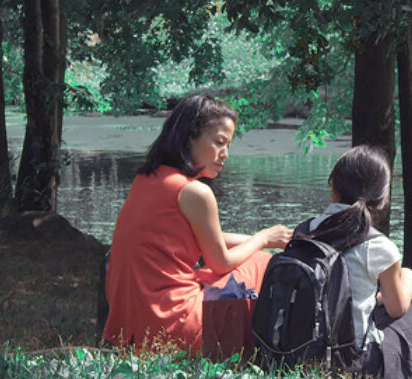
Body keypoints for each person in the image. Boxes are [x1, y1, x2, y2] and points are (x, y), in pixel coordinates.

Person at [103, 94, 293, 353]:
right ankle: (277, 346)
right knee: (261, 264)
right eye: (218, 143)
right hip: (173, 327)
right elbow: (221, 261)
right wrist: (262, 239)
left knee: (249, 259)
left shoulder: (148, 178)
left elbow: (205, 236)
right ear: (189, 137)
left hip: (132, 329)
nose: (225, 154)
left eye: (228, 145)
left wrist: (271, 239)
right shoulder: (195, 192)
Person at [296, 145, 412, 379]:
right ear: (382, 199)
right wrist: (407, 275)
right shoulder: (379, 245)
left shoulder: (303, 232)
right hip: (353, 362)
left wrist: (374, 298)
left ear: (333, 186)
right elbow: (398, 308)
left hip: (300, 354)